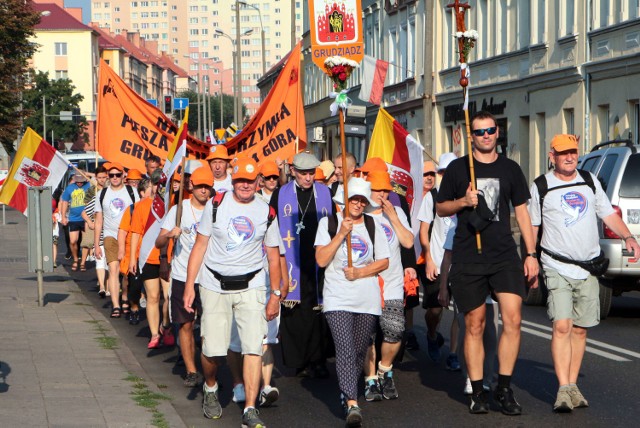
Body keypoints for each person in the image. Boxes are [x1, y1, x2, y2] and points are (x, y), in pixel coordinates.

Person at [436, 110, 538, 415]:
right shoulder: (457, 169)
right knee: (475, 324)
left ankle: (504, 388)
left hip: (503, 254)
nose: (486, 136)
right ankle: (478, 391)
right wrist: (463, 202)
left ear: (497, 132)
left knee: (514, 318)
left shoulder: (510, 169)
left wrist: (531, 255)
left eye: (490, 130)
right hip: (469, 255)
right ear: (472, 136)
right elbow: (441, 208)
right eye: (479, 132)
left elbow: (522, 214)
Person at [528, 134, 640, 412]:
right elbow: (531, 225)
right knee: (562, 325)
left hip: (589, 266)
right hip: (557, 265)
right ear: (552, 155)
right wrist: (530, 256)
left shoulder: (590, 181)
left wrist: (628, 237)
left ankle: (572, 385)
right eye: (563, 153)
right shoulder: (542, 186)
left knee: (579, 330)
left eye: (573, 152)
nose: (569, 157)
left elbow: (608, 214)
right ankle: (563, 388)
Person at [183, 157, 285, 428]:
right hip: (214, 285)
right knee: (213, 351)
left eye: (250, 181)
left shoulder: (266, 211)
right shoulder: (216, 205)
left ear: (258, 182)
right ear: (232, 179)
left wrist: (275, 294)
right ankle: (211, 386)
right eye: (240, 180)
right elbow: (200, 246)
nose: (245, 186)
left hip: (252, 286)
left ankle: (250, 409)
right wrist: (190, 286)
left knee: (253, 348)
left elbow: (274, 256)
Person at [315, 177, 390, 427]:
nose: (358, 203)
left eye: (362, 200)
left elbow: (384, 261)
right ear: (343, 201)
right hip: (337, 298)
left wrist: (360, 272)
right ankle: (352, 403)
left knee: (358, 351)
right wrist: (341, 234)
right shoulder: (329, 223)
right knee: (345, 349)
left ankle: (346, 390)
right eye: (353, 199)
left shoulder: (372, 224)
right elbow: (322, 260)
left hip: (366, 299)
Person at [269, 152, 336, 378]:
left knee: (318, 312)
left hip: (318, 259)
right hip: (291, 260)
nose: (308, 178)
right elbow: (270, 227)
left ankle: (317, 360)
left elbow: (334, 225)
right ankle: (298, 360)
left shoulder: (325, 193)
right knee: (295, 312)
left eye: (311, 173)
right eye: (303, 173)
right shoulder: (280, 194)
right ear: (293, 172)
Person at [156, 167, 214, 386]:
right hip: (182, 276)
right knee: (186, 325)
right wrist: (170, 234)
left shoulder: (215, 210)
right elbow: (158, 242)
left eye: (206, 186)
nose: (203, 190)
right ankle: (191, 370)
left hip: (209, 277)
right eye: (199, 186)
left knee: (209, 326)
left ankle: (211, 367)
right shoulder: (178, 210)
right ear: (191, 186)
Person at [362, 171, 415, 401]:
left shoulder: (398, 211)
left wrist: (393, 217)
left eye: (386, 190)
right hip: (365, 283)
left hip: (392, 282)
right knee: (367, 336)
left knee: (394, 330)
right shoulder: (358, 211)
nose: (382, 195)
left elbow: (408, 241)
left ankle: (385, 370)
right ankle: (370, 379)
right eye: (378, 190)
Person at [418, 152, 460, 368]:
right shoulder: (432, 197)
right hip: (437, 260)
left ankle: (453, 354)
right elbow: (423, 230)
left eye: (449, 170)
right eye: (443, 171)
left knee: (461, 313)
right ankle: (432, 335)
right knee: (435, 310)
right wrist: (429, 259)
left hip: (460, 263)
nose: (446, 174)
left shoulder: (466, 195)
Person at [129, 171, 174, 348]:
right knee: (153, 297)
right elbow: (135, 233)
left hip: (168, 257)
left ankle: (166, 326)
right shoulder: (141, 206)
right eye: (156, 184)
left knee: (168, 296)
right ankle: (154, 334)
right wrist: (133, 257)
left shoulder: (171, 205)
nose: (159, 187)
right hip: (148, 257)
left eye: (163, 184)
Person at [94, 162, 139, 317]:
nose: (114, 178)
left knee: (125, 271)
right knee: (113, 270)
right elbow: (98, 221)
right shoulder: (102, 194)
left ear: (123, 176)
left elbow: (138, 215)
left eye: (117, 175)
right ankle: (116, 305)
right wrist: (96, 245)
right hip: (110, 235)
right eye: (111, 175)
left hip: (128, 236)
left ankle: (125, 296)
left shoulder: (131, 191)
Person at [82, 166, 109, 297]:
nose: (103, 180)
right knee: (100, 259)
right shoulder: (93, 191)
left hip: (111, 231)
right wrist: (90, 222)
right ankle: (102, 286)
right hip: (99, 229)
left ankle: (109, 285)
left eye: (105, 177)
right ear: (96, 178)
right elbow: (84, 209)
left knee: (109, 263)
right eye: (100, 177)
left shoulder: (112, 191)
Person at [59, 171, 91, 272]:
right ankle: (76, 258)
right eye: (78, 181)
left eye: (81, 181)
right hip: (73, 218)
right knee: (73, 241)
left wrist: (87, 173)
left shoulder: (89, 185)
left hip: (86, 218)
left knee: (86, 242)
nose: (80, 183)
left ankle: (83, 262)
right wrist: (63, 216)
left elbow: (101, 179)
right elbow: (64, 202)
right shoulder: (70, 188)